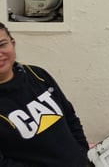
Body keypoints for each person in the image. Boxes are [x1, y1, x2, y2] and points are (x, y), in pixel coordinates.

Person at [0, 23, 90, 165]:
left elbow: (70, 116)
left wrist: (82, 153)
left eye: (2, 44)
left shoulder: (37, 74)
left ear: (13, 43)